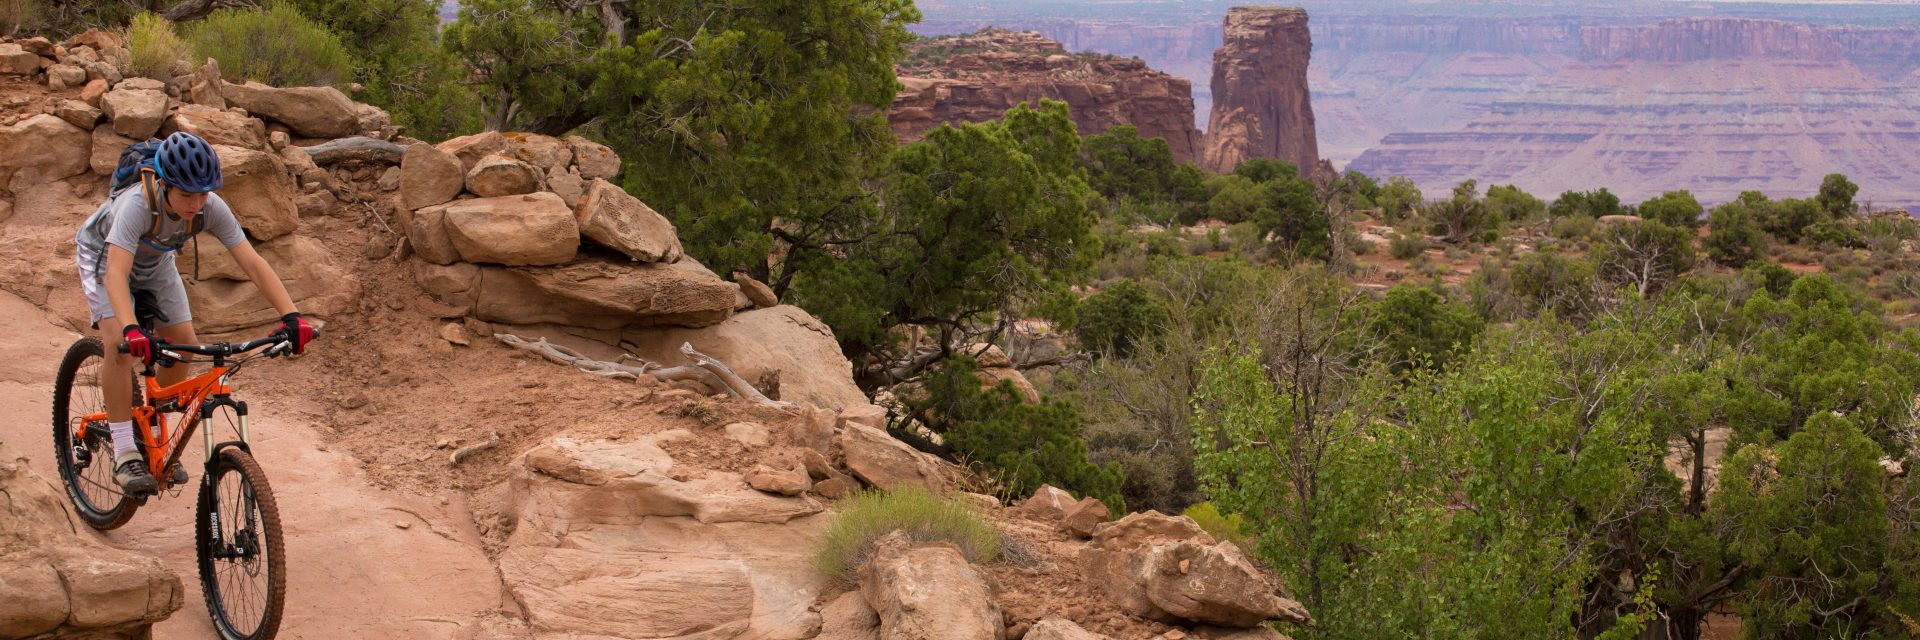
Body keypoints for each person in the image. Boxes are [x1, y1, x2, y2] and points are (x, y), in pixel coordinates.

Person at [73, 131, 316, 494]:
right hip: (105, 258)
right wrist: (130, 329)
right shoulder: (137, 204)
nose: (196, 204)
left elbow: (252, 262)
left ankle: (155, 433)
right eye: (187, 194)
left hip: (154, 263)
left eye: (203, 193)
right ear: (165, 185)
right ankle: (125, 451)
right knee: (117, 346)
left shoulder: (210, 206)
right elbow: (117, 273)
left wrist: (292, 316)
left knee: (184, 344)